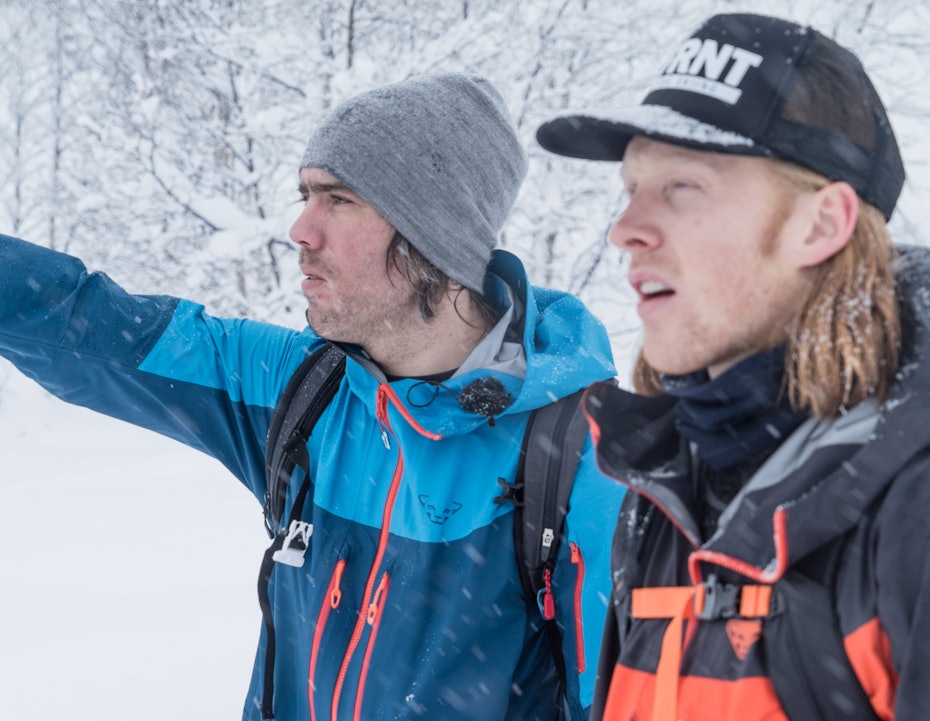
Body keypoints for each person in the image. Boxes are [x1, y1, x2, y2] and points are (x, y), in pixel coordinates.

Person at [0, 73, 624, 720]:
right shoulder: (305, 389)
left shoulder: (584, 462)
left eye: (339, 198)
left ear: (433, 231)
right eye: (305, 195)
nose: (300, 228)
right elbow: (89, 326)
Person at [535, 12, 930, 721]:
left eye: (681, 188)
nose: (624, 229)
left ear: (820, 225)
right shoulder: (668, 485)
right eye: (632, 187)